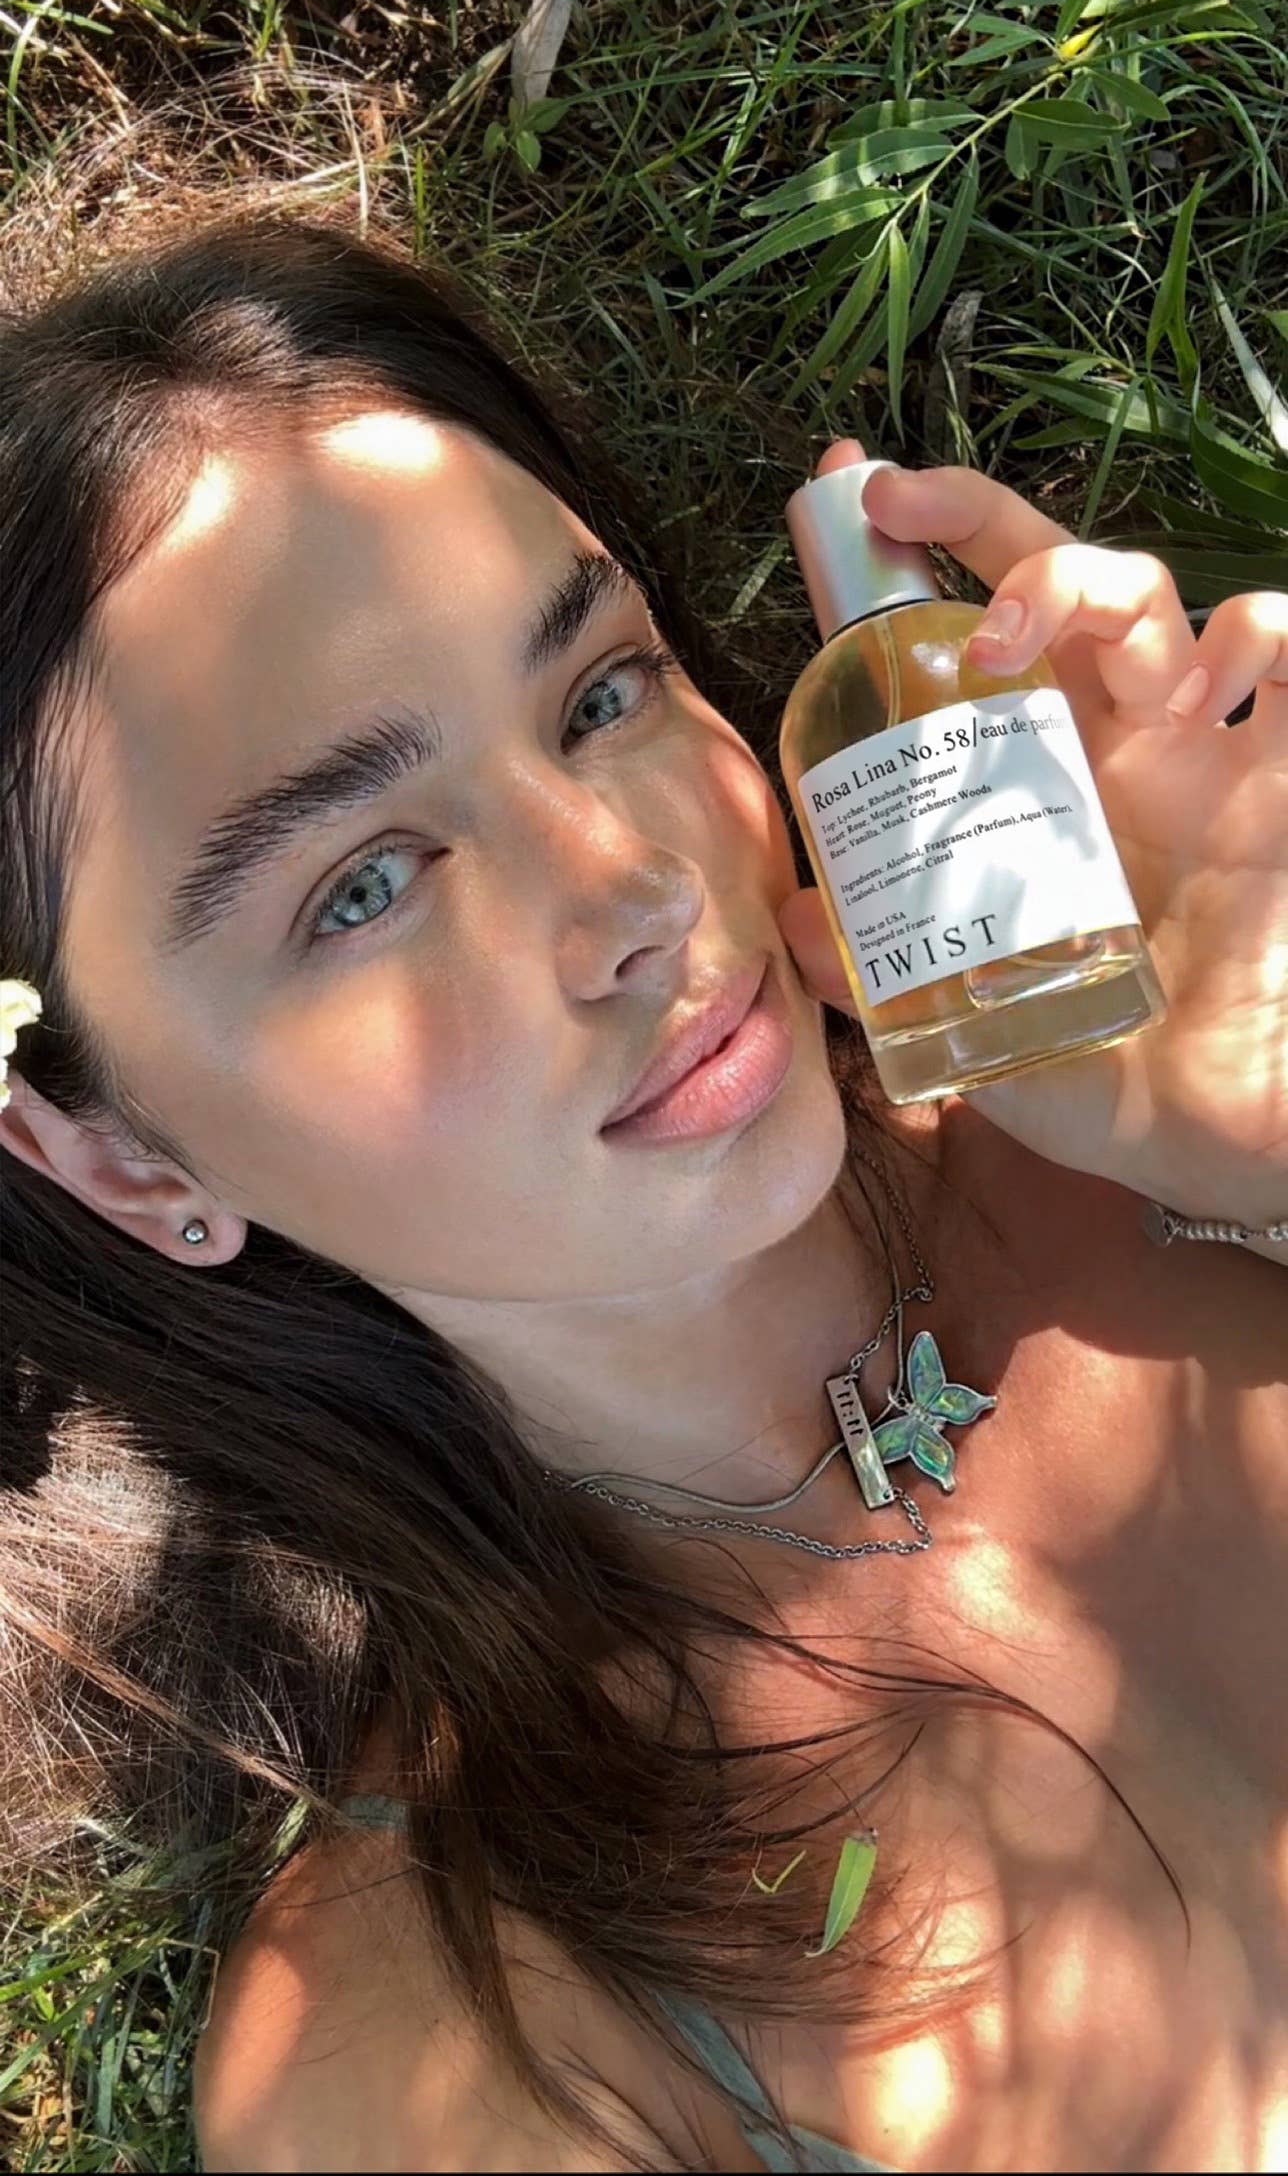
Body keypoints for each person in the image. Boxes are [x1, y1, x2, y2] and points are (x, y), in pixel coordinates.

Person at [0, 207, 1284, 2176]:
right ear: (119, 1157)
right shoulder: (445, 2055)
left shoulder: (1178, 1159)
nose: (632, 887)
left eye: (599, 694)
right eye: (360, 885)